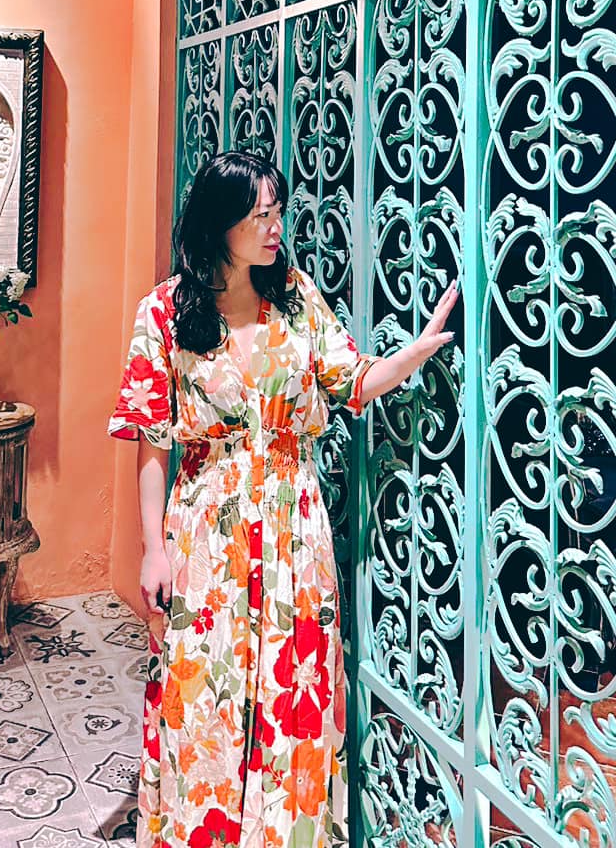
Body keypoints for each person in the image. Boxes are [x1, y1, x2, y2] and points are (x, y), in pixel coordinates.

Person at [107, 151, 459, 848]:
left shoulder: (295, 296)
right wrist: (153, 549)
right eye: (260, 215)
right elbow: (151, 443)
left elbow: (351, 380)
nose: (276, 228)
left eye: (278, 212)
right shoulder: (164, 311)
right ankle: (200, 828)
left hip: (295, 522)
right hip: (206, 526)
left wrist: (415, 352)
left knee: (292, 683)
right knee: (202, 685)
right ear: (220, 223)